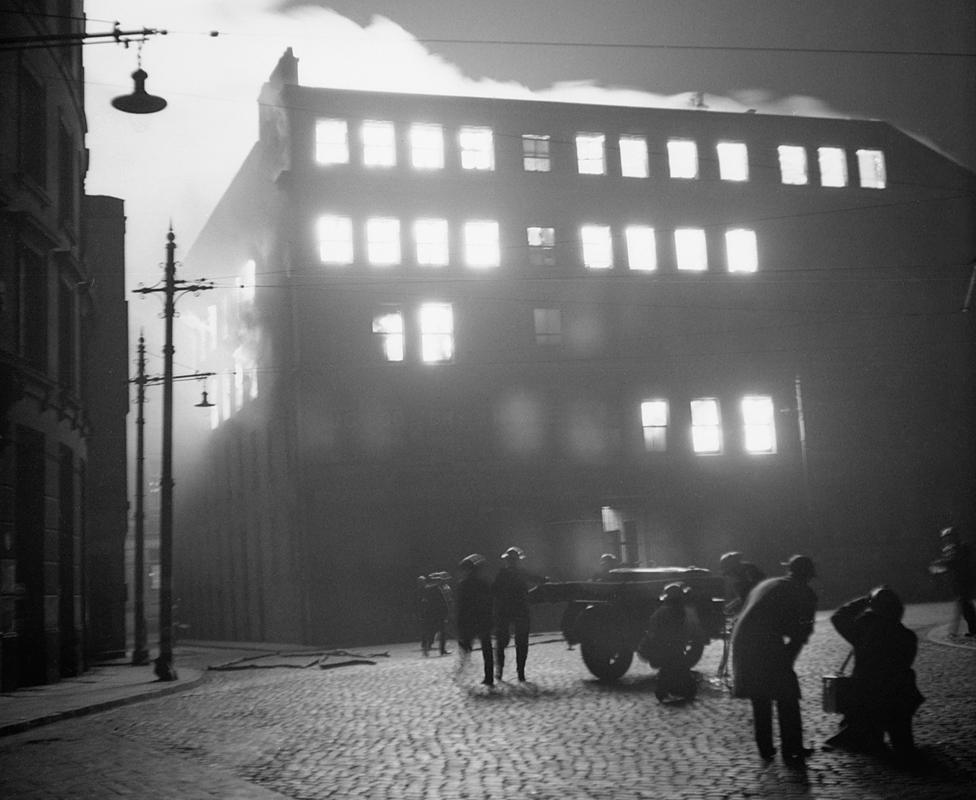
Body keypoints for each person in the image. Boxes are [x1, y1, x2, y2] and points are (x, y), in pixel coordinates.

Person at [731, 554, 818, 765]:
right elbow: (799, 634)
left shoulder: (769, 583)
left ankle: (765, 748)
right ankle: (792, 747)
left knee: (760, 696)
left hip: (743, 642)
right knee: (787, 695)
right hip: (766, 642)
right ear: (808, 576)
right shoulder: (804, 593)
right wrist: (787, 665)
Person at [825, 586, 924, 758]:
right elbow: (905, 664)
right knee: (902, 739)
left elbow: (838, 617)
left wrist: (864, 600)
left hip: (867, 695)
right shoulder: (907, 636)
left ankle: (867, 736)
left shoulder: (863, 632)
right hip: (899, 696)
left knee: (869, 730)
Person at [642, 582, 707, 703]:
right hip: (677, 650)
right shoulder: (687, 612)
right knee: (680, 672)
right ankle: (676, 690)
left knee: (668, 672)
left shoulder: (660, 613)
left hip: (665, 651)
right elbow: (694, 631)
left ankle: (666, 690)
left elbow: (652, 632)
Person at [492, 546, 545, 682]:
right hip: (519, 610)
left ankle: (501, 671)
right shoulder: (520, 573)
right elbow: (537, 580)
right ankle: (518, 672)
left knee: (503, 642)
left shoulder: (502, 573)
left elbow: (494, 591)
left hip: (506, 611)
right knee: (520, 643)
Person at [928, 526, 976, 637]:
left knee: (965, 605)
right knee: (964, 605)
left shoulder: (958, 548)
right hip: (960, 581)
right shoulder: (954, 548)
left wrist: (940, 565)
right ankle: (967, 629)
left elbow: (953, 562)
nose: (946, 541)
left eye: (948, 538)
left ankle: (970, 629)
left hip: (963, 580)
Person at [455, 553, 495, 686]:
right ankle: (489, 676)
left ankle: (462, 669)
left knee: (466, 646)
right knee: (486, 648)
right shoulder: (483, 583)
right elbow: (490, 602)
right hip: (482, 619)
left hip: (471, 620)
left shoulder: (465, 584)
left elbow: (461, 605)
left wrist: (459, 622)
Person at [418, 572, 453, 656]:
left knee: (431, 631)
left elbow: (424, 602)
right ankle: (441, 650)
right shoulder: (437, 589)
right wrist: (447, 612)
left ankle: (427, 647)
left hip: (431, 613)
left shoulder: (428, 589)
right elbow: (442, 602)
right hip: (438, 613)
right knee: (442, 632)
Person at [719, 551, 765, 616]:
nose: (730, 576)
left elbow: (750, 598)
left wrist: (732, 608)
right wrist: (729, 607)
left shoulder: (750, 573)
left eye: (729, 573)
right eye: (728, 574)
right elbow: (743, 598)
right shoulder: (739, 577)